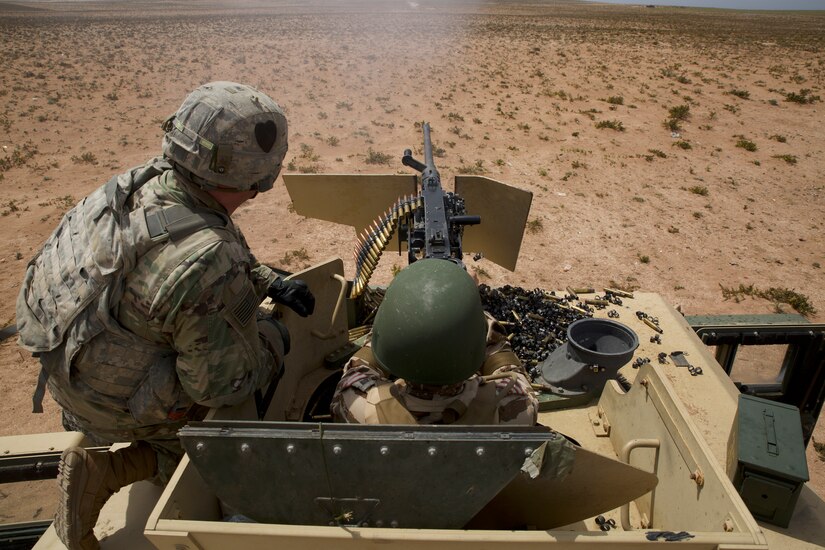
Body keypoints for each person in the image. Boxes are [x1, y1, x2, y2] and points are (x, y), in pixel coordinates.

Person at [15, 82, 315, 550]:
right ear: (258, 177)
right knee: (235, 427)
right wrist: (273, 342)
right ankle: (115, 467)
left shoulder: (144, 184)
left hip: (70, 368)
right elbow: (218, 387)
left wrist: (263, 279)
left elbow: (175, 259)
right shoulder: (207, 261)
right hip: (109, 402)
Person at [331, 259, 537, 425]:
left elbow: (359, 367)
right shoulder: (514, 409)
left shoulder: (357, 406)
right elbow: (510, 368)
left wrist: (403, 306)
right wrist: (469, 305)